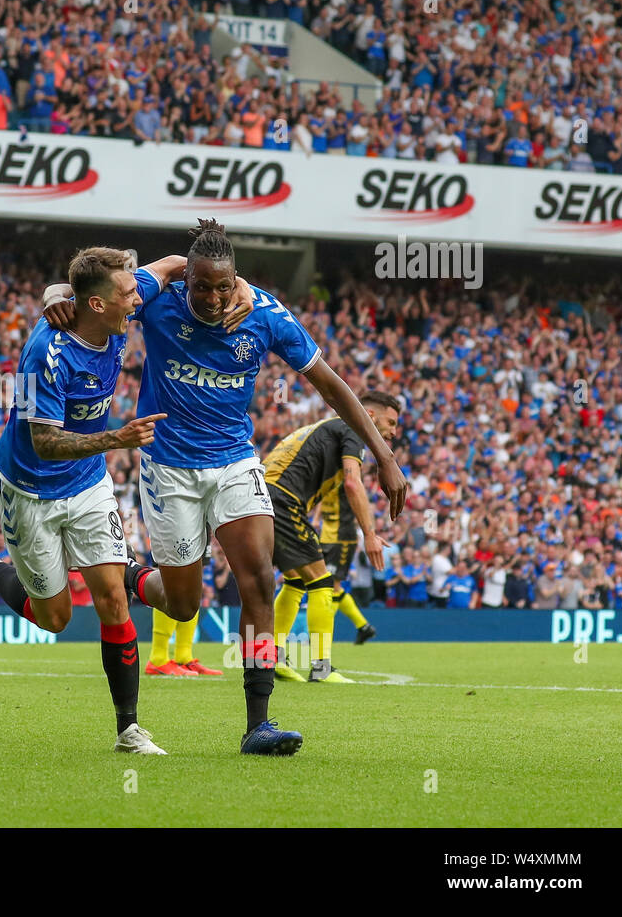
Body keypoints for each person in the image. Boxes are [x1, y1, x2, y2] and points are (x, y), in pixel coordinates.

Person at [42, 220, 406, 754]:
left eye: (223, 285)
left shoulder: (263, 313)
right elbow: (95, 294)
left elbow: (330, 382)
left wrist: (383, 453)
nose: (213, 298)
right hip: (169, 468)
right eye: (201, 286)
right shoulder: (156, 297)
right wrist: (57, 292)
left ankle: (258, 723)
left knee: (257, 579)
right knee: (184, 605)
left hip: (235, 461)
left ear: (237, 278)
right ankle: (130, 575)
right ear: (184, 278)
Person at [0, 247, 250, 755]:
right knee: (54, 618)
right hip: (31, 489)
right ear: (97, 306)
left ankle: (129, 730)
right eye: (128, 294)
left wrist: (241, 288)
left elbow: (176, 263)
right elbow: (45, 441)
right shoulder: (45, 353)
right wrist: (117, 439)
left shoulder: (115, 303)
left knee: (113, 599)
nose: (138, 299)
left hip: (89, 482)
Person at [266, 392, 401, 683]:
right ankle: (321, 668)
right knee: (322, 582)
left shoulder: (330, 429)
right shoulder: (353, 429)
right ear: (371, 415)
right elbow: (352, 482)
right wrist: (370, 534)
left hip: (262, 498)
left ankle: (271, 657)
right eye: (390, 422)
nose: (394, 431)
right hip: (282, 500)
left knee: (296, 579)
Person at [316, 479, 378, 646]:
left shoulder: (347, 476)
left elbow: (359, 498)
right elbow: (322, 497)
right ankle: (363, 627)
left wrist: (368, 531)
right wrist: (316, 519)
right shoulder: (328, 474)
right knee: (332, 585)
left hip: (342, 537)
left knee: (332, 585)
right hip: (327, 535)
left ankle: (324, 634)